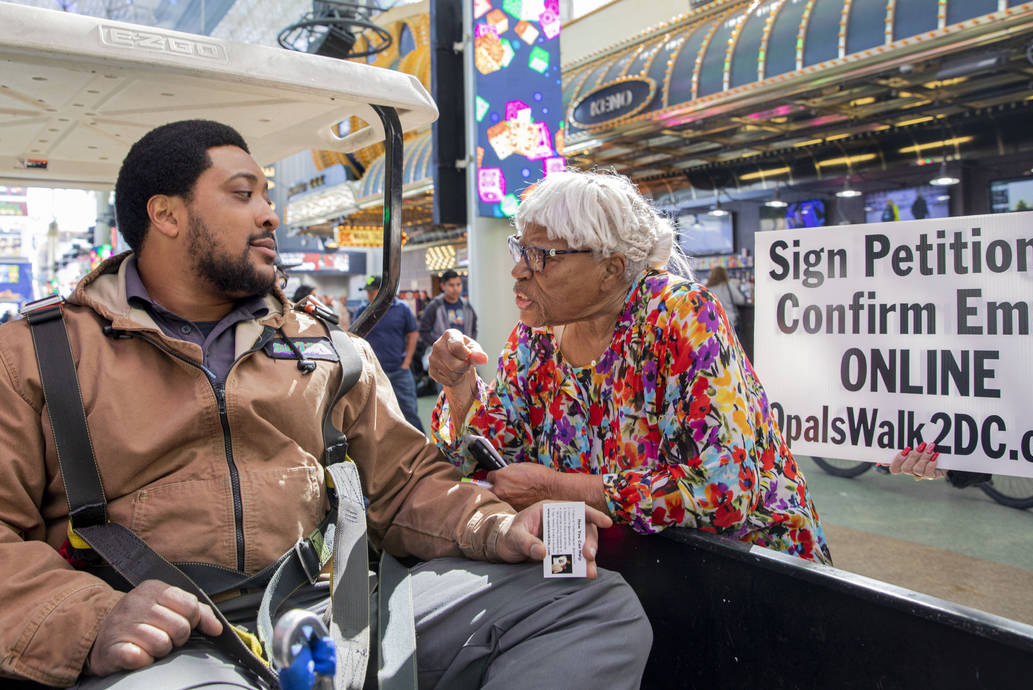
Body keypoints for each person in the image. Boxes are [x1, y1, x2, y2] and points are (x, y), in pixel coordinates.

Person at [0, 122, 650, 688]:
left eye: (267, 193)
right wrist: (88, 618)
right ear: (166, 215)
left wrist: (497, 526)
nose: (270, 214)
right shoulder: (35, 354)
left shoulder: (326, 346)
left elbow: (405, 485)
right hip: (165, 635)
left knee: (588, 606)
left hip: (329, 608)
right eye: (242, 193)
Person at [429, 169, 832, 564]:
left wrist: (555, 487)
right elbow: (487, 458)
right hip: (621, 573)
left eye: (541, 256)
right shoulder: (536, 337)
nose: (519, 270)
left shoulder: (680, 315)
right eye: (521, 249)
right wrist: (459, 385)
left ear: (611, 270)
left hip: (744, 574)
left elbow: (723, 490)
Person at [355, 275, 424, 431]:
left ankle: (421, 449)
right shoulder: (363, 310)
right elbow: (355, 337)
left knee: (409, 412)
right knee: (373, 415)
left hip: (399, 370)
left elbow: (413, 334)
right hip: (372, 372)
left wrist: (406, 362)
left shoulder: (402, 308)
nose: (368, 296)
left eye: (371, 292)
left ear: (382, 291)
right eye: (367, 292)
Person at [419, 269, 477, 350]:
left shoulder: (467, 306)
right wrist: (440, 346)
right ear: (443, 286)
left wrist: (469, 344)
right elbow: (424, 332)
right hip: (442, 355)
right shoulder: (434, 306)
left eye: (458, 284)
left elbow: (473, 329)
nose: (456, 288)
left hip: (464, 352)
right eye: (451, 285)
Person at [704, 265, 742, 334]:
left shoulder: (707, 288)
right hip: (729, 321)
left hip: (713, 322)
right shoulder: (728, 286)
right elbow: (740, 300)